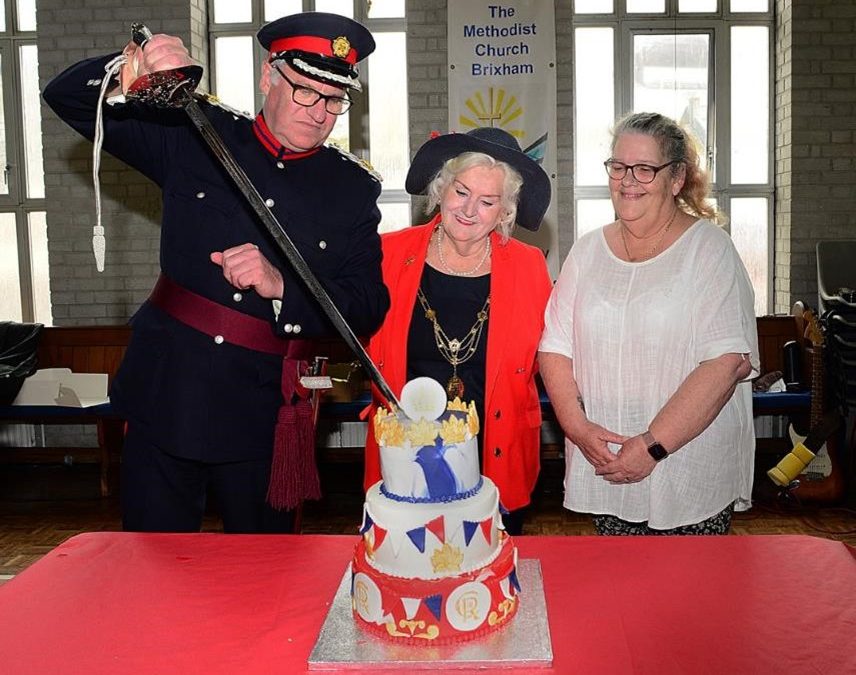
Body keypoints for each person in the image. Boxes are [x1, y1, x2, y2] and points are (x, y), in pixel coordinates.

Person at [42, 13, 390, 533]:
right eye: (304, 92)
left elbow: (367, 302)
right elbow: (67, 97)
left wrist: (283, 288)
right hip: (169, 391)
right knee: (154, 566)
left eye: (334, 99)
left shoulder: (351, 189)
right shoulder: (196, 130)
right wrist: (132, 69)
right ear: (268, 77)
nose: (319, 113)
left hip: (265, 410)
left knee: (264, 578)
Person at [539, 111, 759, 535]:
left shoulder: (709, 251)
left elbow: (727, 362)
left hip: (686, 469)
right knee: (621, 596)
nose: (627, 181)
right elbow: (555, 346)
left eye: (644, 169)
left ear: (676, 179)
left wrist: (652, 446)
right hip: (608, 465)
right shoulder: (587, 252)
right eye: (618, 167)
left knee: (688, 599)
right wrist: (578, 428)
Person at [362, 127, 553, 535]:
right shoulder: (388, 255)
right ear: (440, 190)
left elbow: (550, 356)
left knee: (485, 583)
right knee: (409, 575)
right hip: (405, 458)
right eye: (461, 192)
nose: (469, 210)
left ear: (505, 211)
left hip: (496, 453)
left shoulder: (529, 265)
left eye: (487, 201)